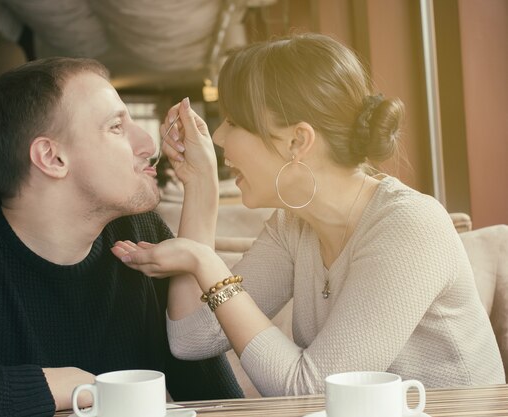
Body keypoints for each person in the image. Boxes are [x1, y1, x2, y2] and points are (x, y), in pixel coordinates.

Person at [112, 33, 506, 396]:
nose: (218, 137)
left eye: (233, 122)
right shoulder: (293, 225)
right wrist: (200, 187)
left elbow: (314, 391)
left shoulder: (411, 227)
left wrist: (207, 263)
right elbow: (190, 339)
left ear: (297, 141)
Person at [0, 57, 243, 416]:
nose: (147, 143)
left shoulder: (141, 233)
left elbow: (216, 399)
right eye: (116, 127)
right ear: (52, 158)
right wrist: (63, 387)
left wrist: (202, 186)